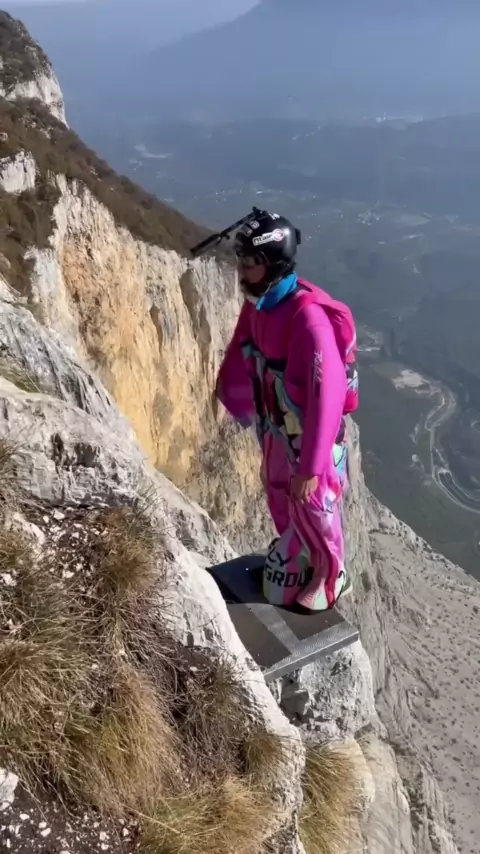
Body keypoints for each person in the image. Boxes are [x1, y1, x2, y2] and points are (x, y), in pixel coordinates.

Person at [215, 210, 359, 612]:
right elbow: (242, 345)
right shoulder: (261, 305)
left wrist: (311, 467)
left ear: (273, 264)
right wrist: (230, 389)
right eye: (241, 260)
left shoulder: (309, 323)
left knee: (316, 504)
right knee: (280, 492)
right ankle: (298, 552)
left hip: (311, 440)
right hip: (279, 428)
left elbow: (327, 395)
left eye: (250, 262)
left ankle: (330, 574)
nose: (241, 269)